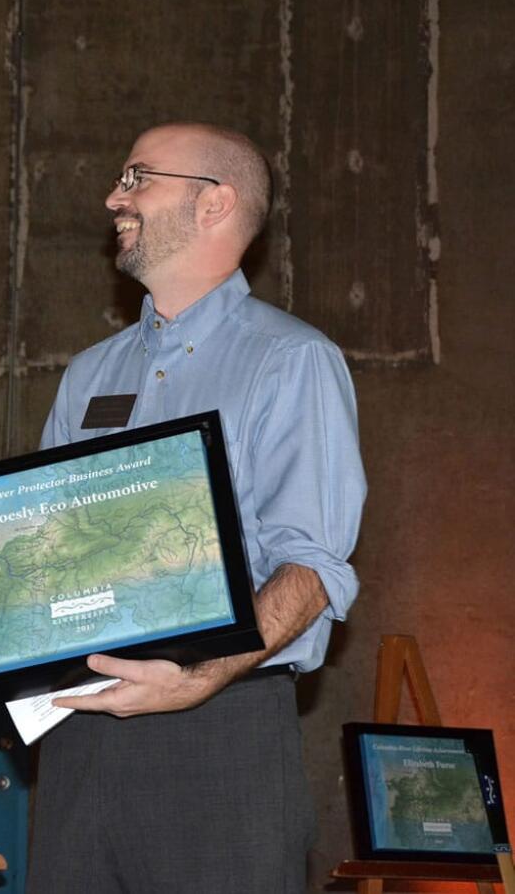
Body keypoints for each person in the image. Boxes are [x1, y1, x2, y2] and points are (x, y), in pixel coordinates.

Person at [27, 122, 366, 893]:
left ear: (214, 204)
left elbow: (311, 566)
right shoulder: (87, 375)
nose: (114, 195)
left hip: (218, 735)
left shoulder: (291, 362)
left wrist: (197, 677)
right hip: (80, 732)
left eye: (137, 177)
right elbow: (45, 551)